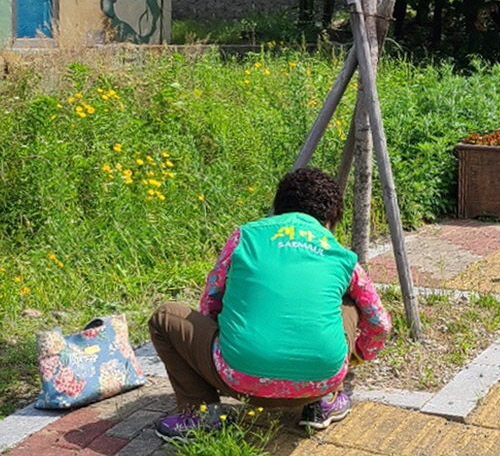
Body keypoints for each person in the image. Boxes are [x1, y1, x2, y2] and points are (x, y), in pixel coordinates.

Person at [149, 167, 391, 442]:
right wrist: (355, 355)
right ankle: (323, 402)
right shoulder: (343, 257)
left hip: (237, 378)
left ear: (278, 208)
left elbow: (212, 299)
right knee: (349, 302)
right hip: (321, 380)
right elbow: (380, 323)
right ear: (331, 220)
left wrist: (216, 338)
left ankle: (201, 413)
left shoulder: (245, 236)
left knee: (166, 316)